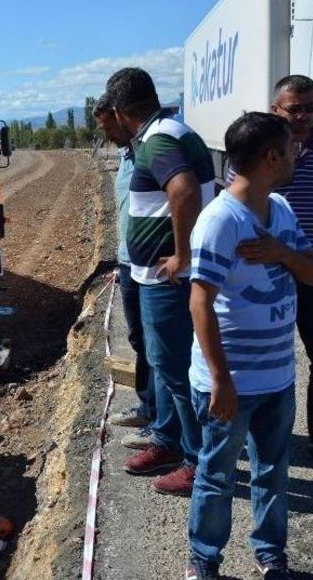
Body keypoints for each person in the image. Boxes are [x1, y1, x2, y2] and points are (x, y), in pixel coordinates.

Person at [186, 112, 313, 580]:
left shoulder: (280, 210)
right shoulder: (220, 221)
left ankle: (270, 554)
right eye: (290, 146)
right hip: (231, 385)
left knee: (272, 472)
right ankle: (203, 561)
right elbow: (199, 304)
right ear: (270, 157)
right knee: (217, 475)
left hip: (277, 378)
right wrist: (221, 382)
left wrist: (282, 253)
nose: (296, 153)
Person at [227, 75, 313, 462]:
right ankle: (251, 434)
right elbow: (239, 200)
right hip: (266, 271)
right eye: (295, 108)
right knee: (258, 357)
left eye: (311, 107)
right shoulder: (262, 152)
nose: (304, 115)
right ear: (276, 110)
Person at [108, 68, 215, 496]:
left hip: (166, 280)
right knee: (165, 366)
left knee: (174, 369)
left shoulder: (159, 140)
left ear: (119, 110)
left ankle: (195, 461)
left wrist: (182, 256)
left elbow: (185, 190)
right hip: (156, 276)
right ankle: (169, 441)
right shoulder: (167, 130)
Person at [92, 94, 156, 431]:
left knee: (155, 344)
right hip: (129, 262)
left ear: (120, 116)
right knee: (138, 338)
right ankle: (148, 406)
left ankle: (163, 422)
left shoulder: (152, 152)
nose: (107, 136)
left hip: (151, 266)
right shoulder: (126, 155)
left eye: (108, 128)